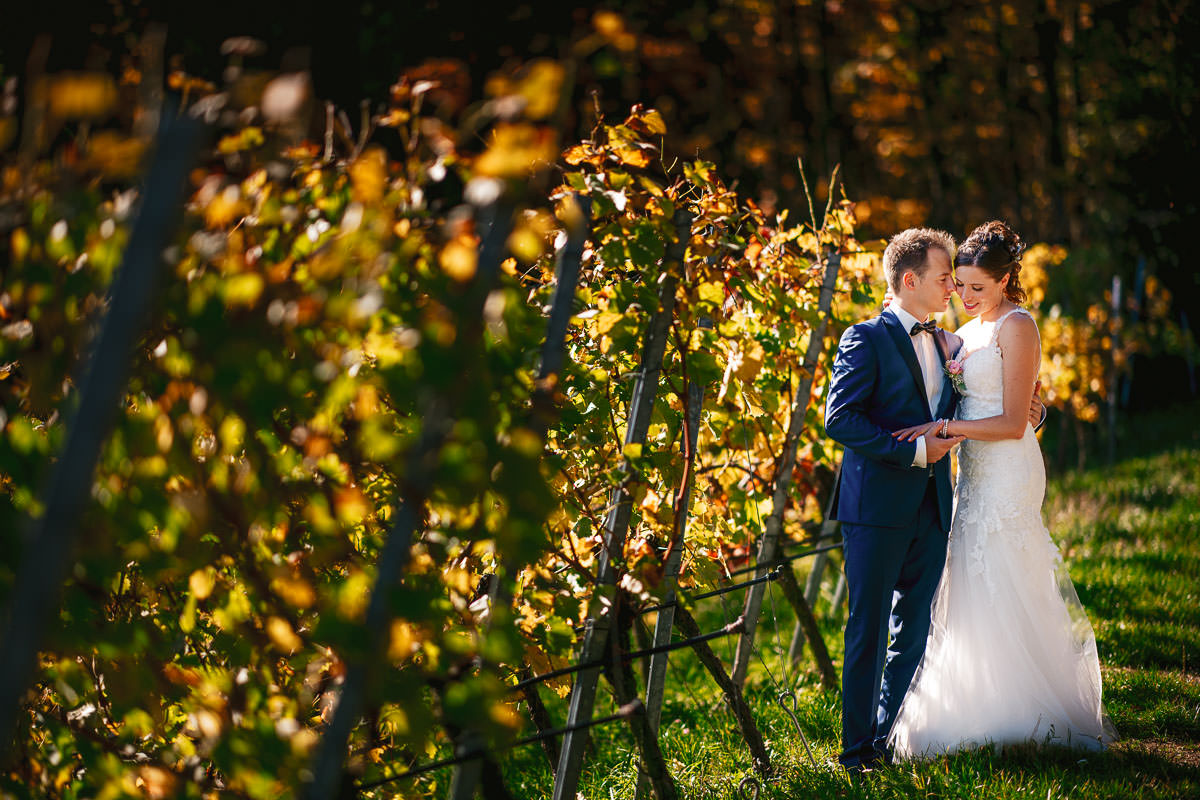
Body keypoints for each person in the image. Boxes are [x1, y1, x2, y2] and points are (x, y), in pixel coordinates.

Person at [885, 221, 1117, 758]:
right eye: (960, 285)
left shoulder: (1018, 326)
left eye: (977, 288)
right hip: (973, 470)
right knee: (970, 570)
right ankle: (980, 700)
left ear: (1005, 280)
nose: (964, 297)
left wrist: (946, 429)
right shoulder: (965, 333)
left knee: (1005, 566)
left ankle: (1029, 705)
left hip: (1008, 469)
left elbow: (1014, 422)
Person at [823, 228, 1045, 772]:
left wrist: (1035, 412)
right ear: (910, 280)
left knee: (915, 631)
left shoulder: (953, 341)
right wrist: (917, 450)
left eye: (960, 281)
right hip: (876, 510)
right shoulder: (864, 338)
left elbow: (989, 402)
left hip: (937, 505)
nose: (954, 290)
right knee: (868, 629)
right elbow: (840, 419)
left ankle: (888, 737)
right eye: (946, 279)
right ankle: (855, 752)